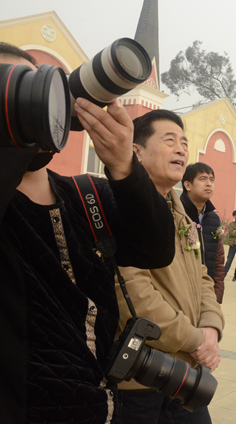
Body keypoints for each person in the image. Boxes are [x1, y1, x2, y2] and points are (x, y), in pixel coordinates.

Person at [0, 44, 175, 424]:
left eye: (34, 88)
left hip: (97, 408)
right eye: (10, 89)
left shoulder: (85, 195)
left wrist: (125, 165)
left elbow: (156, 250)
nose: (27, 100)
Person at [115, 110, 225, 424]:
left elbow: (203, 279)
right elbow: (133, 296)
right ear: (136, 150)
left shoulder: (181, 216)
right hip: (140, 377)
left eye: (184, 143)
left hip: (187, 375)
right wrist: (196, 340)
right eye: (169, 141)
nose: (181, 149)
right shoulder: (121, 209)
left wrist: (211, 329)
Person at [180, 162, 226, 303]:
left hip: (208, 295)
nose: (209, 184)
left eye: (211, 180)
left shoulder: (213, 218)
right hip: (181, 294)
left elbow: (218, 261)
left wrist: (216, 296)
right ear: (187, 185)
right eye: (203, 179)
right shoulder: (176, 214)